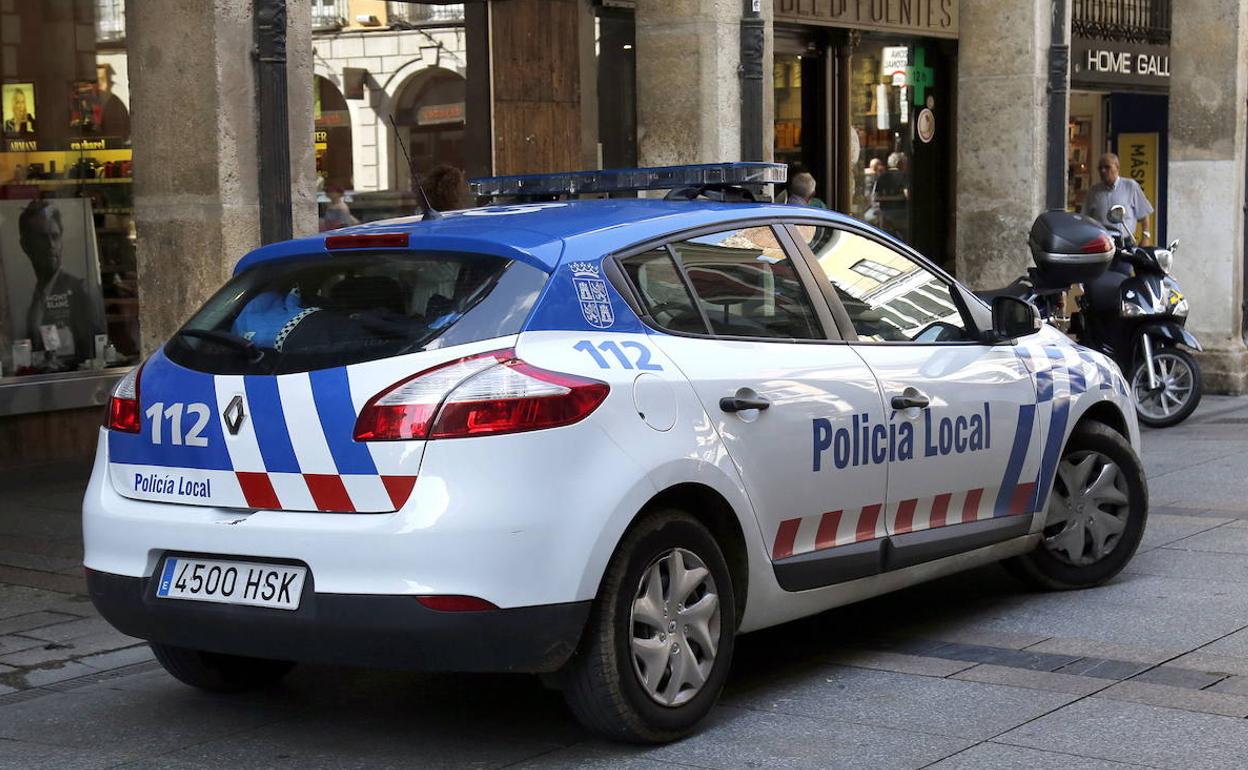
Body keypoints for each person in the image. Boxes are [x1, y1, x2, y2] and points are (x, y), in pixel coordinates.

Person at [19, 200, 105, 368]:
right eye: (42, 238)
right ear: (25, 245)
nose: (51, 245)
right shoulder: (36, 297)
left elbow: (93, 353)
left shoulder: (79, 290)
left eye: (55, 236)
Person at [1083, 152, 1154, 244]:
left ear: (1117, 167)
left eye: (1107, 167)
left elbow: (1144, 213)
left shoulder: (1130, 186)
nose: (1103, 171)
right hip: (1101, 243)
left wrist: (1146, 237)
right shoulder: (1093, 191)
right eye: (1100, 168)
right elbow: (1085, 218)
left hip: (1125, 242)